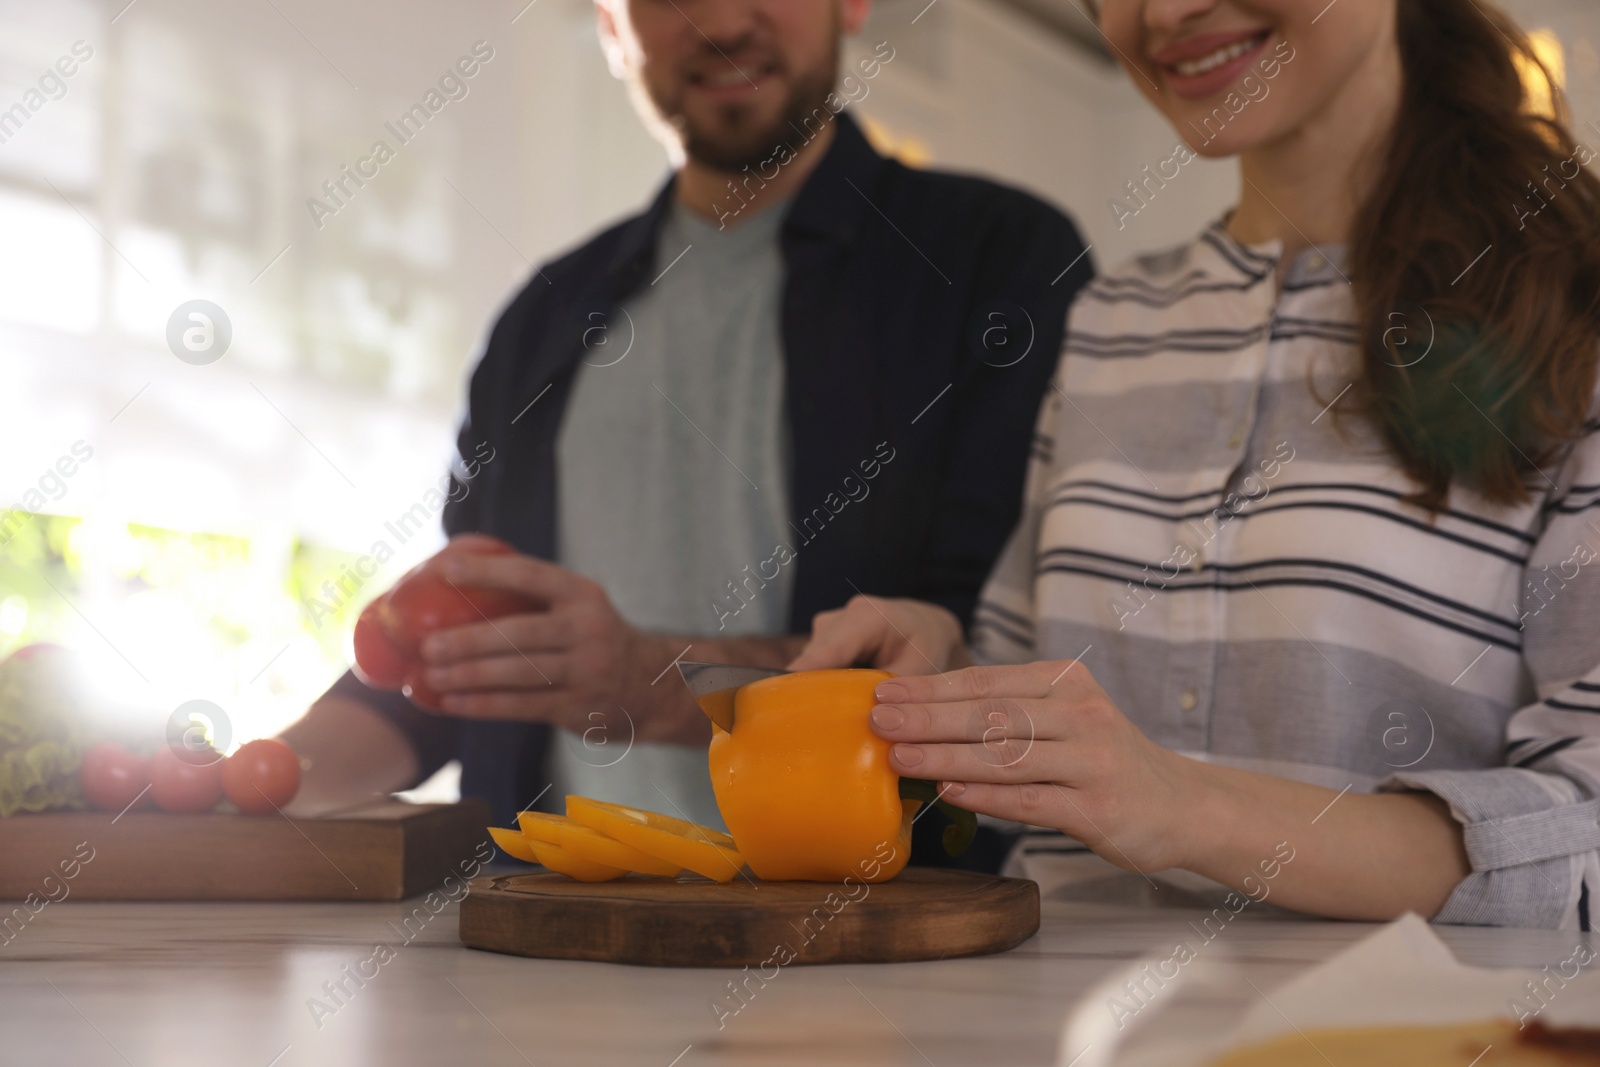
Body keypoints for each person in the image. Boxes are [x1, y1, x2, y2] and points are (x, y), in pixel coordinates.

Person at [790, 0, 1600, 927]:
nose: (1165, 12)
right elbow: (1047, 699)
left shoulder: (1577, 305)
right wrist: (949, 677)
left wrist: (1186, 807)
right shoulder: (1112, 318)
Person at [283, 0, 1093, 857]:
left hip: (867, 946)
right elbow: (470, 653)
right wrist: (270, 775)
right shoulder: (540, 317)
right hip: (550, 932)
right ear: (609, 27)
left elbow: (984, 659)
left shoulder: (999, 260)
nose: (719, 21)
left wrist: (643, 681)